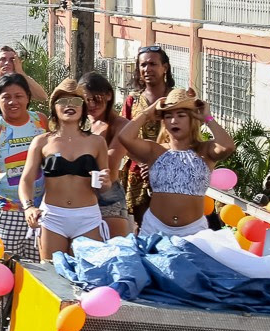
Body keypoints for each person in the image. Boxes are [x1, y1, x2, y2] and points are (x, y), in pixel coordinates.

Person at [117, 88, 235, 237]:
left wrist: (207, 118)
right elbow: (124, 137)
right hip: (155, 230)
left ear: (192, 119)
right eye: (168, 116)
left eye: (181, 115)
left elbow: (227, 146)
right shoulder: (155, 150)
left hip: (193, 232)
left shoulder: (205, 151)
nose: (174, 121)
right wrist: (147, 114)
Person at [19, 80, 112, 262]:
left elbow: (104, 187)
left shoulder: (97, 142)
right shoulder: (42, 142)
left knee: (88, 273)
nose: (70, 105)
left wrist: (106, 183)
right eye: (62, 101)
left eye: (76, 101)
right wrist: (28, 207)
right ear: (54, 108)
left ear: (83, 108)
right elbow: (26, 180)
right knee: (52, 273)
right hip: (52, 217)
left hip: (87, 218)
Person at [0, 73, 44, 259]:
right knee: (5, 265)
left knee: (39, 269)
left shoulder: (40, 121)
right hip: (6, 212)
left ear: (28, 97)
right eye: (6, 97)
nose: (13, 102)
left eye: (18, 96)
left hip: (38, 211)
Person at [121, 45, 174, 220]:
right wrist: (143, 163)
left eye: (152, 64)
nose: (147, 69)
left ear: (164, 67)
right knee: (142, 226)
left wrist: (157, 164)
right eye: (143, 65)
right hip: (140, 173)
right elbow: (123, 136)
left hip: (171, 170)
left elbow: (188, 136)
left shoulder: (176, 99)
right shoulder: (132, 100)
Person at [81, 71, 133, 238]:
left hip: (108, 196)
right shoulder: (82, 126)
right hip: (82, 195)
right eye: (85, 100)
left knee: (115, 249)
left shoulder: (121, 125)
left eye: (96, 98)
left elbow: (110, 164)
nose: (91, 105)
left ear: (109, 95)